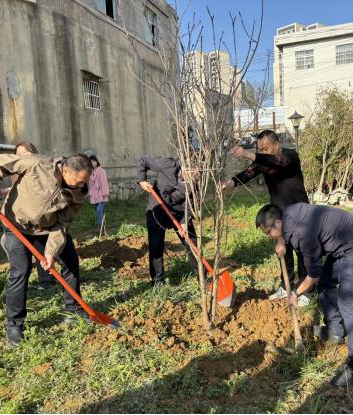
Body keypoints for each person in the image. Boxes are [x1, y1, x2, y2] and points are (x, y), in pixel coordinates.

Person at [0, 152, 93, 346]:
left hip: (47, 229)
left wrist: (50, 252)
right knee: (21, 270)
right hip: (16, 224)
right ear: (64, 171)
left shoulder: (79, 192)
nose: (81, 186)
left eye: (84, 181)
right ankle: (14, 325)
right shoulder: (36, 164)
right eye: (78, 181)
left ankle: (73, 309)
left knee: (71, 261)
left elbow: (63, 224)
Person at [255, 203, 353, 387]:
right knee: (326, 282)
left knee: (348, 304)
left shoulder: (302, 235)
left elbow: (313, 275)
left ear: (277, 223)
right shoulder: (287, 214)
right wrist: (280, 241)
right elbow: (283, 233)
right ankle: (335, 333)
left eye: (268, 233)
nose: (268, 237)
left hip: (350, 245)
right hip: (342, 241)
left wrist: (296, 294)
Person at [222, 129, 311, 306]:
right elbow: (247, 174)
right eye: (259, 149)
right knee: (283, 251)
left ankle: (306, 292)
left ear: (277, 145)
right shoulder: (263, 162)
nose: (262, 153)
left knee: (302, 253)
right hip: (278, 215)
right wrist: (229, 184)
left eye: (265, 148)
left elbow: (276, 161)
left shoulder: (289, 156)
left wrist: (249, 154)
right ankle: (286, 287)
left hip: (300, 213)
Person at [137, 155, 201, 287]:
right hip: (157, 210)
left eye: (197, 173)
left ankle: (202, 277)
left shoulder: (196, 184)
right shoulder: (167, 164)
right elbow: (144, 160)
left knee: (192, 242)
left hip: (179, 213)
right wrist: (141, 180)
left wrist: (184, 220)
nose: (195, 176)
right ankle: (158, 281)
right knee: (156, 246)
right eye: (193, 172)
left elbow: (192, 204)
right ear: (185, 167)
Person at [0, 141, 55, 290]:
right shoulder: (15, 174)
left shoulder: (39, 170)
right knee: (7, 243)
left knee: (40, 249)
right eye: (18, 155)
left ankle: (46, 280)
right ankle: (22, 276)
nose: (21, 158)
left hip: (37, 220)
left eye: (24, 154)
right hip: (18, 221)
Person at [88, 155, 109, 230]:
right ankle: (103, 223)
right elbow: (90, 184)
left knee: (99, 210)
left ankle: (99, 226)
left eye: (93, 161)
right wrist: (90, 194)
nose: (92, 163)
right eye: (90, 162)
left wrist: (105, 193)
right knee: (97, 211)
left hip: (101, 194)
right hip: (94, 195)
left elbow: (104, 183)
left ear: (97, 161)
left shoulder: (102, 171)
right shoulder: (90, 172)